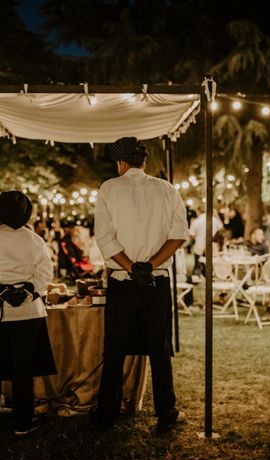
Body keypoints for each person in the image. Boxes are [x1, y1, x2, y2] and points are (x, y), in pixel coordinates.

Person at [94, 136, 188, 433]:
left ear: (120, 163)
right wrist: (150, 266)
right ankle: (166, 412)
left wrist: (132, 268)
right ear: (143, 161)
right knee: (160, 350)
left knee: (115, 350)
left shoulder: (109, 188)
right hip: (156, 282)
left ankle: (107, 413)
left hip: (123, 282)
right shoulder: (166, 189)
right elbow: (178, 234)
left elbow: (105, 238)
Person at [0, 191, 56, 435]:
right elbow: (45, 274)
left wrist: (1, 291)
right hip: (29, 314)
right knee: (23, 369)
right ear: (27, 212)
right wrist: (27, 290)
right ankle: (23, 420)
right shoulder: (36, 240)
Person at [188, 205, 223, 277]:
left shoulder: (196, 221)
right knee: (210, 265)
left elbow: (191, 234)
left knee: (198, 264)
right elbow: (221, 228)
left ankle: (197, 278)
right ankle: (209, 277)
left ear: (198, 211)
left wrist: (197, 238)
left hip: (199, 245)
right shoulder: (214, 219)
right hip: (212, 246)